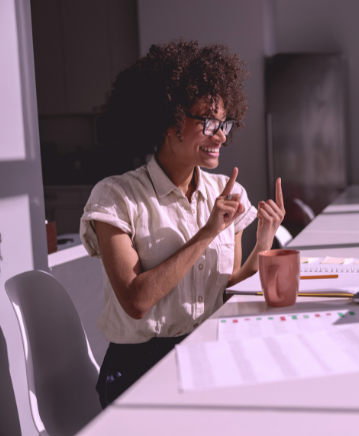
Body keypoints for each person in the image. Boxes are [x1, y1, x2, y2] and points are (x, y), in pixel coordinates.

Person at [80, 40, 285, 408]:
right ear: (168, 120)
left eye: (224, 122)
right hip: (138, 370)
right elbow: (136, 300)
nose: (221, 135)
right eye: (207, 122)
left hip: (209, 354)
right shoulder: (115, 197)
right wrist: (207, 233)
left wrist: (263, 243)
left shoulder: (227, 191)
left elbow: (228, 288)